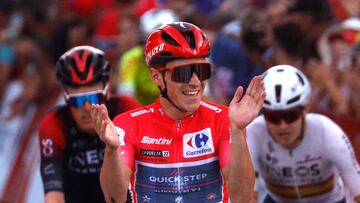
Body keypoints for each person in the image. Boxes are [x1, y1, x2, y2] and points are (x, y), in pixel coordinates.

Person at [90, 22, 265, 203]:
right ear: (156, 77)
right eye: (183, 73)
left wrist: (238, 132)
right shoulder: (129, 124)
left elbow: (242, 198)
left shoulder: (223, 118)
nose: (195, 82)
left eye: (201, 70)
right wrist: (111, 150)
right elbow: (114, 198)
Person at [38, 46, 140, 203]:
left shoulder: (126, 108)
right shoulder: (54, 122)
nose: (86, 108)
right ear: (65, 98)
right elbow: (54, 196)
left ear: (107, 92)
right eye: (77, 100)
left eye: (93, 98)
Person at [246, 65, 360, 203]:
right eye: (273, 117)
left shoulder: (327, 132)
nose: (283, 126)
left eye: (291, 116)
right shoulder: (253, 132)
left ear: (306, 109)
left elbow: (357, 189)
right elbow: (248, 196)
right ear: (263, 113)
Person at [117, 8, 178, 105]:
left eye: (156, 43)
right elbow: (126, 100)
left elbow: (201, 99)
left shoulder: (183, 61)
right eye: (143, 40)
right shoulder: (130, 59)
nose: (146, 48)